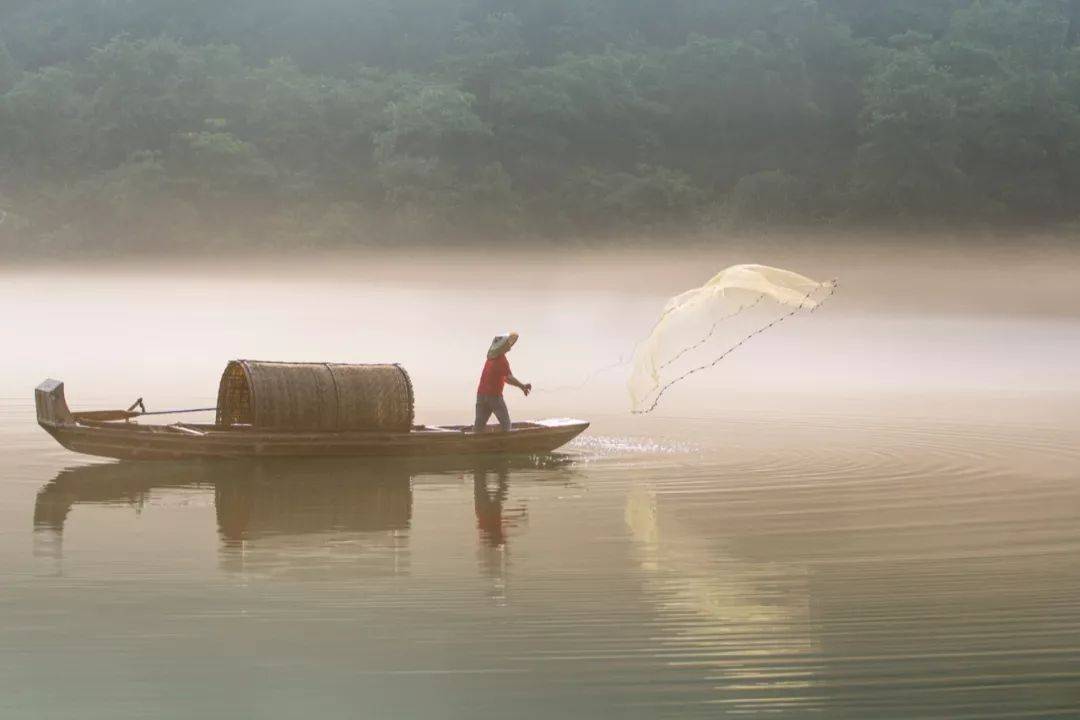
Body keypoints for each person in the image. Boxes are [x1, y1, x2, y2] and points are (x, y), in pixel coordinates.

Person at [474, 332, 531, 432]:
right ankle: (506, 445)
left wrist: (521, 387)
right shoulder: (501, 360)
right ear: (502, 347)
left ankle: (474, 445)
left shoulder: (490, 359)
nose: (510, 345)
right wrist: (522, 386)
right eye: (507, 344)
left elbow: (505, 378)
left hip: (481, 395)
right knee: (506, 425)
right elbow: (509, 377)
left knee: (479, 426)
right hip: (494, 397)